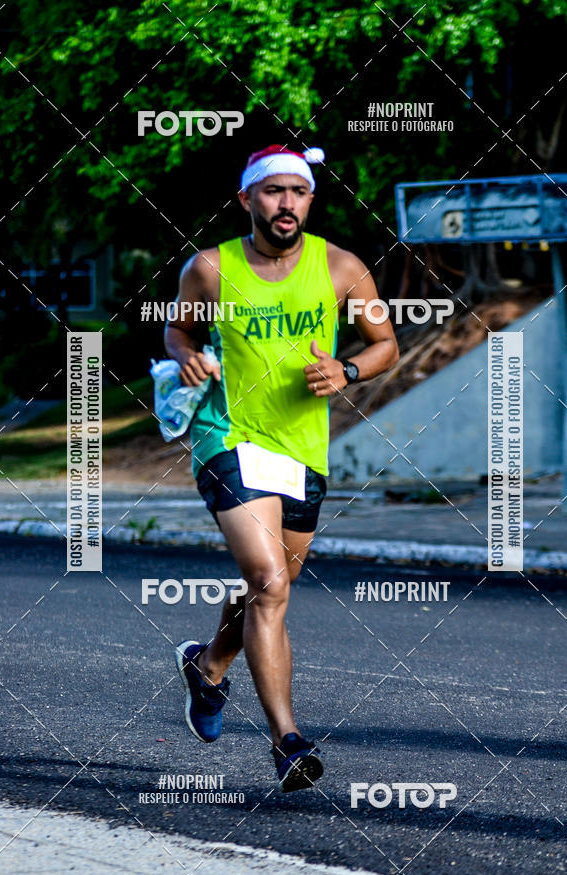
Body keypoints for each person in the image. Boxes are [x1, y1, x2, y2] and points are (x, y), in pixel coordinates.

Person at [165, 144, 399, 792]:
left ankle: (208, 668)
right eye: (273, 192)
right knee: (269, 581)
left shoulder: (342, 267)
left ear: (310, 200)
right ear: (247, 200)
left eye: (298, 191)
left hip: (303, 452)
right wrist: (186, 355)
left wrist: (347, 369)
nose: (286, 202)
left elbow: (386, 344)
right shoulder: (211, 268)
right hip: (228, 437)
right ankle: (287, 742)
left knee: (272, 590)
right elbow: (177, 331)